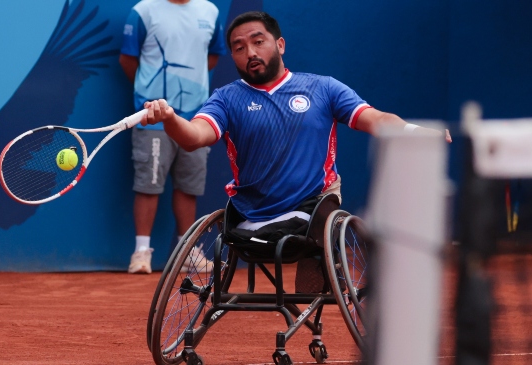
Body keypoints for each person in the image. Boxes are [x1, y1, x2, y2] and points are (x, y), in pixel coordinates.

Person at [140, 11, 451, 263]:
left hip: (310, 210)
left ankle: (319, 268)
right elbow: (195, 136)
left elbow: (376, 119)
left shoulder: (324, 88)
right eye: (238, 48)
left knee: (317, 218)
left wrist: (415, 132)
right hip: (249, 217)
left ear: (280, 45)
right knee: (252, 233)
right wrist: (170, 118)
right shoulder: (225, 98)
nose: (250, 53)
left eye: (258, 41)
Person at [119, 0, 227, 274]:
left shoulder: (210, 12)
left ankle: (188, 252)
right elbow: (128, 60)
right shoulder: (144, 11)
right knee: (148, 184)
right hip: (153, 118)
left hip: (195, 119)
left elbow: (212, 56)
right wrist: (150, 95)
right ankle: (141, 253)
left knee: (189, 187)